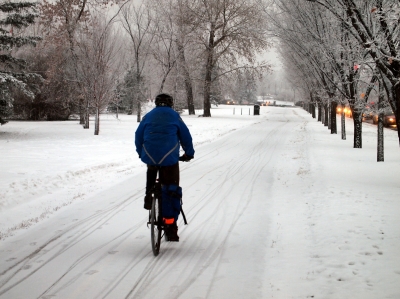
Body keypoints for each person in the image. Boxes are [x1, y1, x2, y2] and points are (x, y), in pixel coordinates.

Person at [135, 93, 194, 241]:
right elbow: (185, 136)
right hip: (169, 159)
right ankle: (170, 227)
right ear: (171, 103)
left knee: (152, 169)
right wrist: (188, 153)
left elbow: (138, 135)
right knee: (170, 189)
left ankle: (148, 196)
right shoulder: (174, 116)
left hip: (149, 155)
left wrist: (140, 152)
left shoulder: (148, 116)